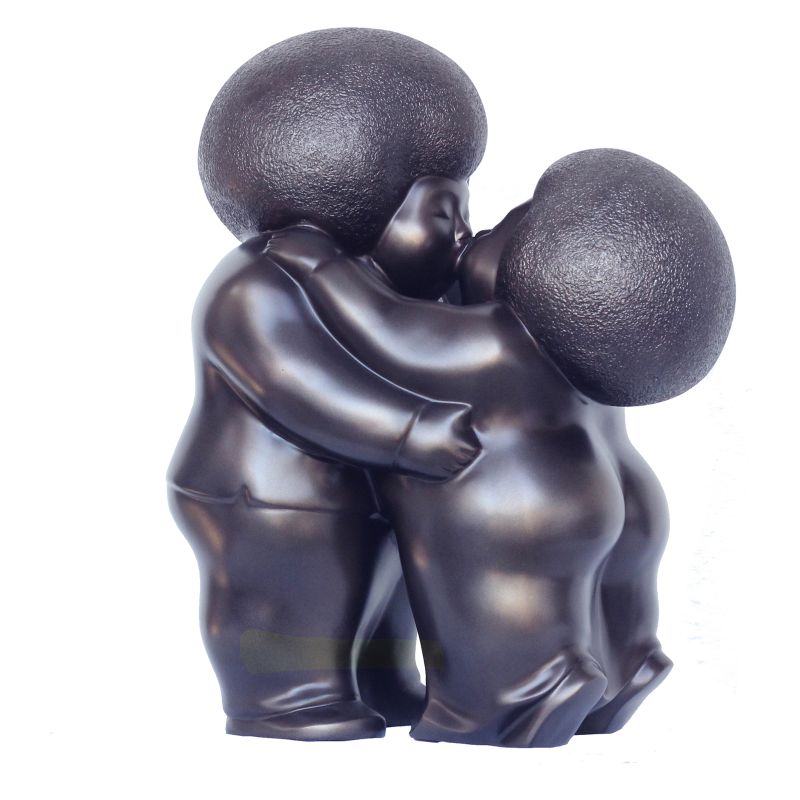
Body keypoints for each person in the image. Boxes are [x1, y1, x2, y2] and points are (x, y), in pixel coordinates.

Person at [169, 27, 489, 740]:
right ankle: (287, 693)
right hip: (273, 499)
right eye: (445, 214)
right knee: (299, 592)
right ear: (369, 205)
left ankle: (382, 678)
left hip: (370, 490)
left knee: (380, 590)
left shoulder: (384, 292)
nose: (463, 235)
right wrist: (408, 432)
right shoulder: (257, 285)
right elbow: (296, 385)